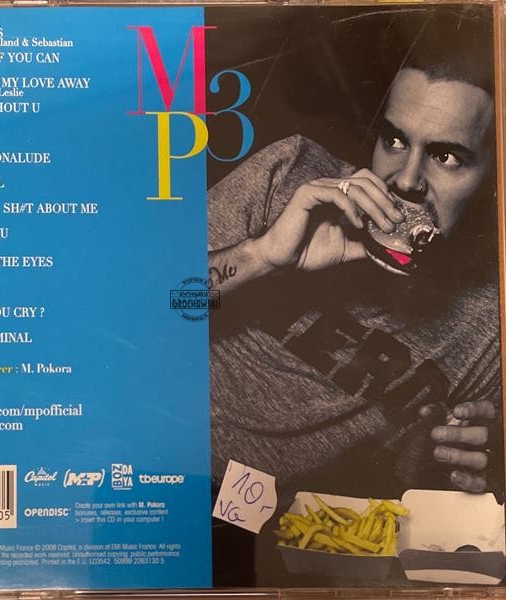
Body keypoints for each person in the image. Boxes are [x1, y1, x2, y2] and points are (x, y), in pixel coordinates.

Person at [208, 15, 502, 504]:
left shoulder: (491, 324)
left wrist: (472, 465)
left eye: (446, 157)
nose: (405, 180)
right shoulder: (292, 175)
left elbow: (436, 478)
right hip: (163, 479)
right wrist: (261, 256)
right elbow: (135, 313)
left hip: (300, 533)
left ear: (494, 181)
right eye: (395, 141)